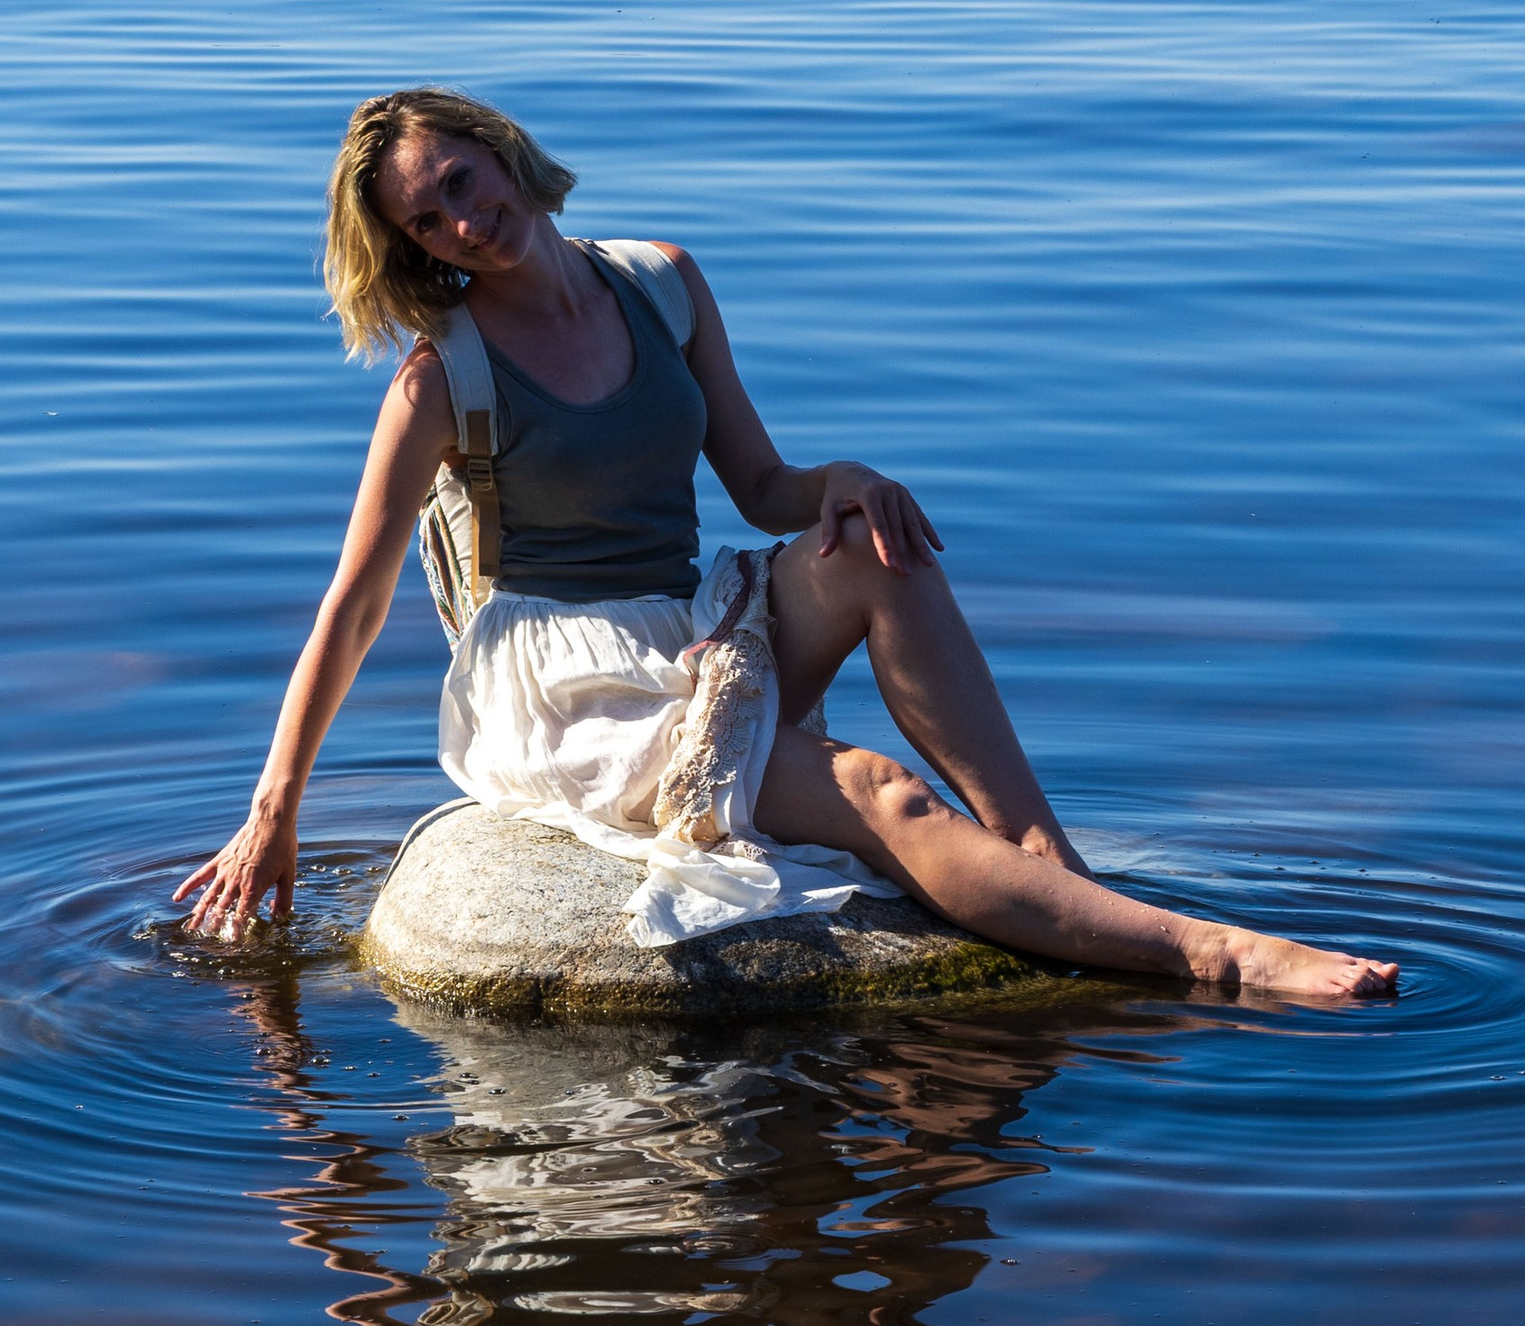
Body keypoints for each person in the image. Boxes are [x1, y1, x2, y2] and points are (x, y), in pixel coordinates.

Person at [178, 88, 1396, 1002]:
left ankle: (1043, 858)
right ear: (415, 248)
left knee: (876, 543)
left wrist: (845, 479)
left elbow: (763, 488)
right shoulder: (441, 380)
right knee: (878, 792)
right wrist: (273, 809)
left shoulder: (660, 282)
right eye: (427, 218)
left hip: (687, 619)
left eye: (460, 177)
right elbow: (353, 603)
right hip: (567, 685)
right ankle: (1212, 955)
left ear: (499, 148)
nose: (462, 217)